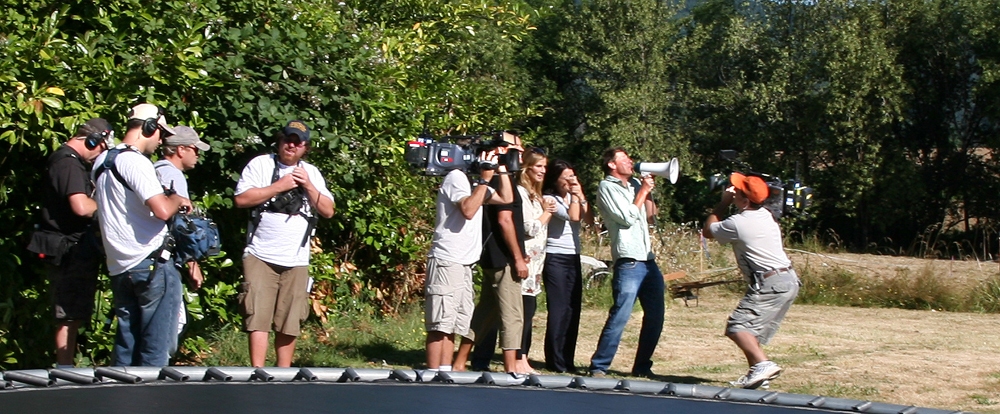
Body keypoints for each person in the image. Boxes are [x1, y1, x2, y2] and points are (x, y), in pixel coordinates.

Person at [93, 103, 190, 366]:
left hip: (119, 265)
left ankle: (121, 392)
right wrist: (177, 199)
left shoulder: (102, 161)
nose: (161, 141)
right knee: (155, 349)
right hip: (151, 262)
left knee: (127, 346)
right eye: (161, 133)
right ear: (150, 128)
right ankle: (153, 393)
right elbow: (161, 210)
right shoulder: (135, 161)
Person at [234, 120, 335, 367]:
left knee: (290, 319)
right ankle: (257, 372)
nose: (291, 145)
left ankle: (284, 374)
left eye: (298, 143)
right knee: (257, 316)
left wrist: (308, 185)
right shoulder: (260, 164)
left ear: (305, 148)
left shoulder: (311, 173)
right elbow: (241, 199)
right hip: (260, 255)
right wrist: (278, 187)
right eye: (288, 140)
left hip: (297, 259)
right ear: (280, 142)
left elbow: (328, 210)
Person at [702, 172, 800, 389]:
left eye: (737, 191)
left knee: (737, 327)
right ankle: (757, 374)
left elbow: (707, 231)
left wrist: (723, 203)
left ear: (745, 201)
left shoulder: (738, 223)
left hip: (771, 282)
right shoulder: (766, 214)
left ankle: (764, 364)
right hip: (787, 279)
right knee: (751, 331)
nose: (733, 191)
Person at [423, 141, 513, 372]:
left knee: (454, 324)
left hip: (464, 263)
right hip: (448, 259)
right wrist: (484, 180)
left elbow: (506, 198)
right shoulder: (456, 177)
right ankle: (431, 374)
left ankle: (445, 372)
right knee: (440, 324)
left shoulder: (474, 182)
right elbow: (468, 210)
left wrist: (501, 169)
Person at [30, 118, 111, 367]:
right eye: (101, 147)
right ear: (92, 140)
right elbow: (81, 206)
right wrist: (111, 209)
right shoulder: (68, 163)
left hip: (70, 248)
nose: (99, 155)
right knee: (67, 314)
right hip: (68, 250)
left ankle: (67, 369)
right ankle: (65, 371)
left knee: (72, 314)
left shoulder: (66, 161)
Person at [466, 147, 555, 374]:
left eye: (545, 167)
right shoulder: (517, 190)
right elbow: (516, 224)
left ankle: (466, 360)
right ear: (526, 167)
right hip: (512, 259)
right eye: (538, 166)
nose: (543, 171)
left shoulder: (530, 192)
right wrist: (546, 213)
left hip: (529, 261)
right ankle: (511, 364)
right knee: (512, 315)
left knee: (492, 313)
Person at [452, 132, 528, 377]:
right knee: (513, 314)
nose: (522, 152)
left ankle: (459, 361)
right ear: (502, 150)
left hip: (491, 256)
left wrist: (503, 168)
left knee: (485, 314)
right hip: (503, 257)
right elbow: (505, 220)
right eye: (516, 148)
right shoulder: (496, 180)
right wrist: (517, 257)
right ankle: (511, 368)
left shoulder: (497, 177)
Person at [589, 147, 664, 378]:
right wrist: (643, 191)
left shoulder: (634, 185)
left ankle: (642, 366)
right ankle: (599, 366)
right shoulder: (607, 187)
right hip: (629, 259)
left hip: (647, 259)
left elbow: (650, 216)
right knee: (621, 314)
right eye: (624, 159)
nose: (631, 162)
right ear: (611, 164)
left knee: (656, 315)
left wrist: (647, 192)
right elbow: (626, 218)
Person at [153, 125, 211, 337]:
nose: (198, 155)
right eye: (195, 149)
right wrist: (192, 263)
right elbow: (180, 225)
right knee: (170, 326)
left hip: (146, 254)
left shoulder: (153, 170)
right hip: (164, 258)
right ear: (181, 150)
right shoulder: (173, 176)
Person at [540, 159, 593, 374]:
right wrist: (575, 196)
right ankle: (555, 359)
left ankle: (567, 358)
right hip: (555, 257)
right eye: (566, 178)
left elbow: (589, 221)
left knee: (572, 309)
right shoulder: (549, 199)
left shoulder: (573, 197)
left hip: (573, 256)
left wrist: (581, 196)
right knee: (559, 308)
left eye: (573, 176)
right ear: (555, 180)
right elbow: (572, 216)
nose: (570, 181)